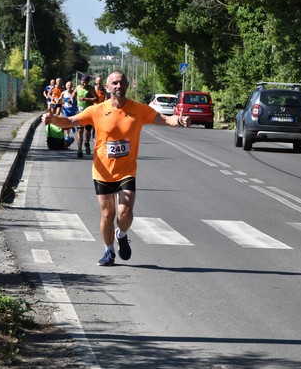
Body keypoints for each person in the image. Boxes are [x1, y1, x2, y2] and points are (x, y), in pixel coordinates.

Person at [41, 70, 190, 266]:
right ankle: (108, 251)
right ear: (108, 88)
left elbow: (162, 119)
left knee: (125, 211)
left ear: (127, 85)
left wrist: (178, 120)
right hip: (102, 171)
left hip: (126, 170)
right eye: (115, 83)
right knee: (107, 214)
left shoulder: (138, 109)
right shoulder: (97, 110)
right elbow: (70, 121)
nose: (119, 86)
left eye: (122, 82)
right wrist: (52, 120)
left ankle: (122, 234)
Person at [70, 75, 96, 157]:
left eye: (85, 82)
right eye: (82, 81)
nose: (83, 83)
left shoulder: (91, 89)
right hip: (79, 112)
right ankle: (79, 149)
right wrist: (71, 99)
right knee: (79, 131)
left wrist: (86, 99)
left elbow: (96, 99)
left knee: (87, 131)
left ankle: (87, 143)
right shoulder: (77, 88)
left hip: (88, 113)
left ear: (88, 82)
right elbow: (73, 94)